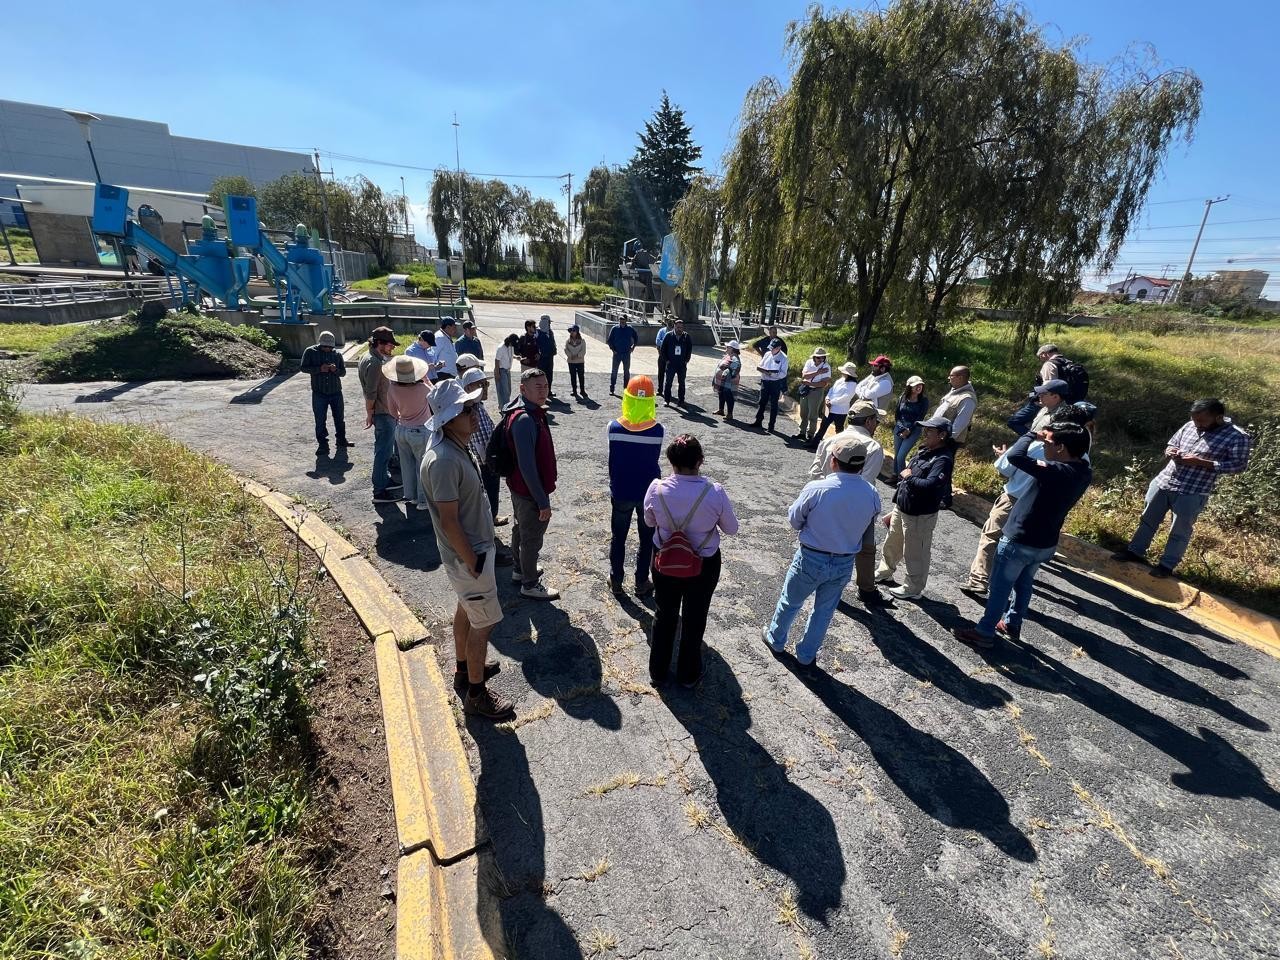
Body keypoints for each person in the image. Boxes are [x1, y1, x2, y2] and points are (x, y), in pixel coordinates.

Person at [419, 378, 514, 720]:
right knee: (484, 624)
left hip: (471, 554)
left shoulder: (455, 445)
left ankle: (464, 670)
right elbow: (449, 521)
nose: (475, 413)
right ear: (447, 417)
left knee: (467, 611)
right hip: (470, 556)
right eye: (467, 409)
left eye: (473, 406)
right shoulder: (444, 460)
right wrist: (473, 560)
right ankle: (476, 693)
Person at [954, 422, 1093, 649]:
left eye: (1046, 442)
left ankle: (984, 631)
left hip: (1020, 539)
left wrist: (1030, 434)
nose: (1043, 444)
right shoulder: (1083, 472)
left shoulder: (1055, 471)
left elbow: (1016, 457)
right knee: (1024, 582)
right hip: (1045, 543)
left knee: (1000, 587)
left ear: (1061, 448)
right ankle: (1012, 623)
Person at [763, 436, 881, 666]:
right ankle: (807, 654)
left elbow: (795, 520)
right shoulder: (871, 493)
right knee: (824, 611)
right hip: (844, 561)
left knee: (791, 601)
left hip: (811, 557)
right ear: (862, 465)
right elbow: (868, 525)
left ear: (833, 461)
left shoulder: (817, 488)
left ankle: (776, 639)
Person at [1111, 398, 1253, 577]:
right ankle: (1134, 551)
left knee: (1180, 530)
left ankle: (1166, 565)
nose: (1197, 424)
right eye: (1194, 419)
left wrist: (1201, 463)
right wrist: (1171, 451)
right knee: (1147, 519)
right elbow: (1172, 443)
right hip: (1164, 481)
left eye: (1202, 421)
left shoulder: (1237, 436)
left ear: (1218, 418)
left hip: (1193, 490)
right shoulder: (1190, 425)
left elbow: (1238, 466)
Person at [964, 403, 1095, 598]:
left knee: (991, 538)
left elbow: (1005, 467)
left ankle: (979, 580)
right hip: (1044, 512)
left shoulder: (1038, 445)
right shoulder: (1082, 457)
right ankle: (1009, 596)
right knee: (1023, 564)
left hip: (1013, 500)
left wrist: (1009, 452)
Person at [643, 435, 739, 686]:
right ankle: (688, 674)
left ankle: (658, 673)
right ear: (701, 461)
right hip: (703, 563)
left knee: (664, 614)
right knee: (695, 617)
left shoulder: (656, 488)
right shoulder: (714, 492)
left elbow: (649, 521)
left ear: (670, 461)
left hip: (665, 560)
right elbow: (731, 529)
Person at [809, 400, 887, 605]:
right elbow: (866, 483)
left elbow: (815, 473)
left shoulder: (830, 440)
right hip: (857, 507)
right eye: (876, 420)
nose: (876, 424)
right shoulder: (873, 446)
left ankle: (820, 582)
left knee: (824, 543)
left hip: (826, 502)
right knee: (866, 547)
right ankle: (866, 589)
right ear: (869, 421)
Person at [874, 416, 956, 600]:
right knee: (892, 542)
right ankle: (885, 571)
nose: (925, 433)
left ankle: (913, 588)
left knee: (915, 552)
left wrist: (909, 477)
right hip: (902, 507)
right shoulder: (924, 451)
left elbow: (931, 484)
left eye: (930, 431)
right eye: (925, 429)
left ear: (942, 435)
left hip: (920, 514)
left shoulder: (943, 459)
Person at [502, 369, 560, 600]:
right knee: (531, 538)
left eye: (545, 386)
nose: (543, 390)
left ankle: (520, 570)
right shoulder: (525, 419)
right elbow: (528, 467)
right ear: (522, 389)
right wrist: (542, 501)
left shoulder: (527, 411)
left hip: (519, 487)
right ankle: (530, 583)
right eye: (538, 387)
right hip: (529, 491)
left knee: (521, 530)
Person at [607, 376, 664, 595]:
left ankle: (617, 580)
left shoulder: (613, 428)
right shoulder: (659, 430)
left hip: (621, 490)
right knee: (646, 539)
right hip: (647, 493)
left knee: (618, 537)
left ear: (627, 398)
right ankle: (641, 581)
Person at [461, 365, 510, 531]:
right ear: (468, 388)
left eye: (486, 384)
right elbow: (482, 441)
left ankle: (491, 518)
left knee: (490, 492)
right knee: (489, 492)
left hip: (484, 460)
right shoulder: (474, 409)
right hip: (485, 461)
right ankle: (489, 525)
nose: (485, 389)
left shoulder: (476, 405)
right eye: (480, 385)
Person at [358, 326, 402, 503]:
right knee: (383, 452)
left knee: (384, 450)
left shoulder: (368, 357)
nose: (392, 348)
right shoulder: (375, 363)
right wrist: (370, 413)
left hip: (383, 411)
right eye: (390, 345)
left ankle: (383, 480)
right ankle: (379, 490)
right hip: (383, 413)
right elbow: (371, 392)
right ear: (379, 343)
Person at [384, 355, 433, 511]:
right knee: (421, 466)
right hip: (420, 430)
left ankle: (410, 496)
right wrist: (427, 380)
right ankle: (423, 500)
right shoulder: (423, 389)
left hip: (402, 429)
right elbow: (437, 399)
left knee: (407, 466)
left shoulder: (392, 388)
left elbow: (392, 411)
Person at [1007, 343, 1088, 434]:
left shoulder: (1049, 365)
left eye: (1040, 356)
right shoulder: (1068, 363)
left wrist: (1041, 401)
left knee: (1013, 422)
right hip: (1066, 402)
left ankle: (1032, 440)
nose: (1040, 360)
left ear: (1045, 354)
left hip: (1048, 402)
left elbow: (1049, 387)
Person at [299, 331, 350, 456]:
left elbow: (343, 372)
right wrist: (318, 369)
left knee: (339, 418)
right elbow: (303, 368)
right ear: (320, 344)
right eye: (325, 346)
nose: (327, 349)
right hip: (319, 392)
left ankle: (341, 439)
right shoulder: (310, 352)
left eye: (330, 347)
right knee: (320, 419)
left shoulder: (337, 354)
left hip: (336, 391)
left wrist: (335, 370)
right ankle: (323, 444)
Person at [812, 361, 859, 444]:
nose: (842, 373)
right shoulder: (840, 380)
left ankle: (839, 445)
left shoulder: (853, 384)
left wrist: (832, 402)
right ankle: (815, 442)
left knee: (839, 429)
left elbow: (846, 397)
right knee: (823, 426)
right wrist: (827, 398)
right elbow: (831, 390)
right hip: (829, 407)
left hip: (840, 411)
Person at [930, 366, 977, 447]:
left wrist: (942, 440)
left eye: (951, 376)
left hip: (946, 441)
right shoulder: (955, 391)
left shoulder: (968, 399)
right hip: (936, 437)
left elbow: (960, 425)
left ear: (960, 378)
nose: (949, 378)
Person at [892, 375, 930, 476]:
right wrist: (901, 428)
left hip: (914, 430)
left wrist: (909, 430)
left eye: (920, 385)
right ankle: (895, 475)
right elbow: (897, 415)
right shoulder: (903, 398)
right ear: (909, 387)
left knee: (901, 456)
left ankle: (903, 479)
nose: (919, 387)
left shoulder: (924, 401)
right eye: (915, 385)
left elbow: (920, 417)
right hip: (899, 428)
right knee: (897, 454)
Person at [796, 347, 832, 443]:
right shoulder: (809, 363)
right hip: (806, 390)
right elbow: (804, 375)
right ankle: (802, 432)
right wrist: (818, 372)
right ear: (814, 357)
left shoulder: (827, 367)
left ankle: (811, 434)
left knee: (813, 414)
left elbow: (824, 383)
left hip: (817, 391)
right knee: (803, 412)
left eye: (822, 357)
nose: (821, 360)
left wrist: (809, 383)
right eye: (818, 358)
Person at [752, 338, 789, 431]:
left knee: (773, 404)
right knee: (762, 402)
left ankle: (771, 425)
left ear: (779, 348)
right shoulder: (767, 354)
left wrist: (772, 374)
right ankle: (758, 421)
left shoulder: (783, 358)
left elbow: (783, 373)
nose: (771, 350)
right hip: (765, 381)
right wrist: (763, 370)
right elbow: (761, 365)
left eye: (774, 348)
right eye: (771, 348)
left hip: (775, 383)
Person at [661, 319, 693, 406]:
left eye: (681, 327)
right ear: (674, 326)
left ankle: (681, 401)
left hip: (681, 364)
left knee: (682, 383)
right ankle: (667, 400)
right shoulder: (668, 336)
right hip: (671, 364)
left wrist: (687, 360)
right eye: (678, 327)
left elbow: (689, 349)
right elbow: (662, 349)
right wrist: (666, 360)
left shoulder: (686, 337)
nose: (680, 329)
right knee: (668, 383)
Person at [607, 315, 639, 395]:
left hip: (626, 354)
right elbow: (609, 340)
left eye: (623, 320)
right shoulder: (614, 328)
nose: (622, 322)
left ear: (626, 320)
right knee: (614, 371)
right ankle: (612, 388)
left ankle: (626, 389)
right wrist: (613, 350)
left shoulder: (630, 329)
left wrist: (633, 347)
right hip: (617, 353)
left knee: (626, 372)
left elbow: (636, 338)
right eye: (620, 320)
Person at [713, 340, 743, 419]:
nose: (726, 348)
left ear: (732, 348)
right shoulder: (729, 355)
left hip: (728, 381)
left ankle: (730, 414)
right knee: (722, 394)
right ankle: (721, 410)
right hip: (724, 380)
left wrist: (731, 375)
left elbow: (737, 366)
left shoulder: (734, 357)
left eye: (728, 347)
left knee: (728, 396)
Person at [535, 315, 558, 396]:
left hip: (550, 357)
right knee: (541, 375)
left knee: (549, 374)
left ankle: (549, 391)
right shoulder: (537, 332)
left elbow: (553, 342)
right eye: (548, 322)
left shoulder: (550, 332)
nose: (549, 324)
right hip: (542, 358)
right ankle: (541, 392)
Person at [494, 333, 517, 407]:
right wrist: (497, 373)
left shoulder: (510, 346)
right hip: (501, 370)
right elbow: (497, 360)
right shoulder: (501, 347)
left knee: (508, 390)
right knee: (504, 391)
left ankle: (504, 406)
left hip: (507, 370)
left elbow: (508, 356)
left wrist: (516, 357)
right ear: (510, 342)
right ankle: (504, 408)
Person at [564, 325, 588, 398]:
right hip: (571, 361)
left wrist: (577, 356)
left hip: (580, 361)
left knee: (581, 376)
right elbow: (566, 349)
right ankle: (574, 390)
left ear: (577, 332)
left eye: (573, 331)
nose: (572, 332)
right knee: (573, 376)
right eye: (571, 331)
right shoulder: (568, 341)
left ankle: (582, 390)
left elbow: (583, 351)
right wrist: (570, 356)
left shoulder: (582, 341)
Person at [655, 317, 674, 389]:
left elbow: (674, 344)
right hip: (662, 356)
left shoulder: (674, 333)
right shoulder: (661, 331)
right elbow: (657, 341)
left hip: (671, 357)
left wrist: (663, 342)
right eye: (669, 324)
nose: (670, 326)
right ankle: (660, 389)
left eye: (671, 325)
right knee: (661, 373)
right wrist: (667, 343)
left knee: (669, 374)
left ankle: (667, 390)